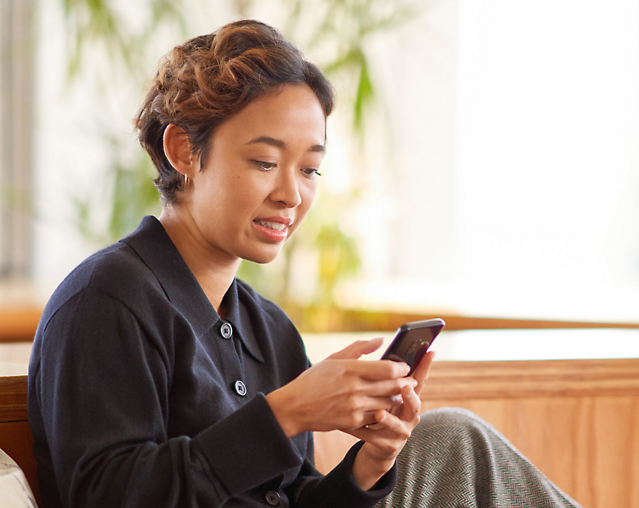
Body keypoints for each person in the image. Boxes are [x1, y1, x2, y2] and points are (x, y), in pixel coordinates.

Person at [28, 20, 582, 508]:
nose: (292, 195)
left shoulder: (269, 330)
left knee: (445, 441)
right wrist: (286, 412)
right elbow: (106, 496)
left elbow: (295, 500)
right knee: (456, 441)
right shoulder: (105, 300)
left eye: (311, 170)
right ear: (183, 152)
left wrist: (370, 465)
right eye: (265, 161)